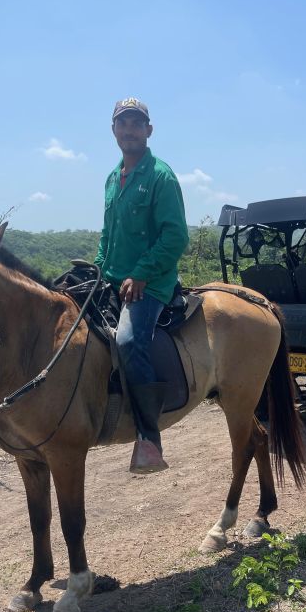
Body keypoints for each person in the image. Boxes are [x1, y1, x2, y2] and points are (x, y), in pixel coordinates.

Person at [94, 97, 189, 473]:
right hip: (113, 278)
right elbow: (107, 235)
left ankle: (149, 438)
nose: (129, 130)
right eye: (123, 123)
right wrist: (98, 268)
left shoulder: (161, 176)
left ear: (148, 131)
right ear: (114, 130)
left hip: (150, 283)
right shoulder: (111, 178)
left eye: (137, 124)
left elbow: (175, 236)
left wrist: (142, 273)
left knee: (128, 341)